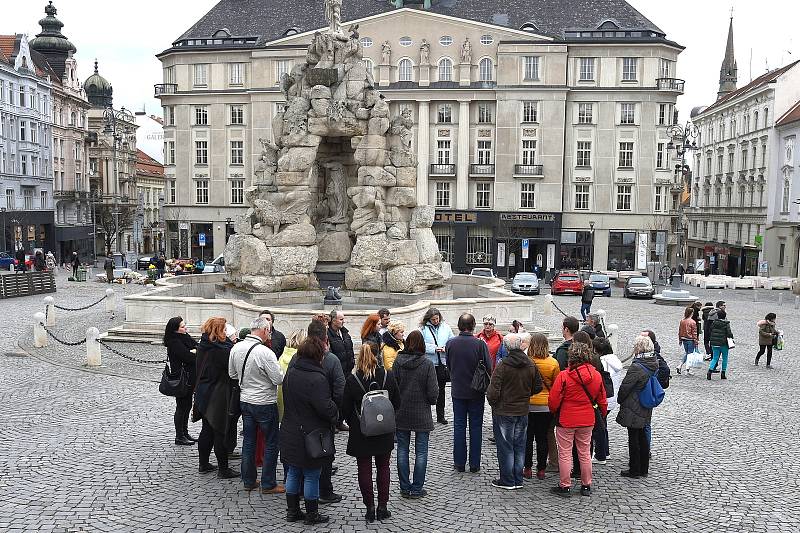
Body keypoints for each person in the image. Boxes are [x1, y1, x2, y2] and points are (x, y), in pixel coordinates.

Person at [280, 334, 339, 525]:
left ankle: (293, 511)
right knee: (312, 474)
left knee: (293, 472)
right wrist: (335, 412)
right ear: (318, 355)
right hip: (311, 434)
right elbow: (324, 407)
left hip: (290, 429)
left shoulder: (291, 371)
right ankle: (312, 514)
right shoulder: (316, 378)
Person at [343, 343, 401, 523]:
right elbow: (397, 402)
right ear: (378, 355)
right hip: (383, 429)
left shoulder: (353, 379)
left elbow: (344, 409)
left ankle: (370, 507)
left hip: (362, 431)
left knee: (364, 469)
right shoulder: (388, 376)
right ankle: (383, 506)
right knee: (384, 467)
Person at [228, 316, 285, 494]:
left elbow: (232, 374)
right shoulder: (265, 353)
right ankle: (268, 483)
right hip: (265, 402)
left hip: (245, 400)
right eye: (269, 331)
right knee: (271, 442)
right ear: (265, 330)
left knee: (249, 441)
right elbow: (278, 378)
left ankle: (249, 480)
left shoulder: (236, 347)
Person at [548, 341, 607, 497]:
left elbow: (553, 400)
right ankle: (586, 485)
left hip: (566, 419)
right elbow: (602, 399)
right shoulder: (596, 375)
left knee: (565, 453)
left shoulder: (564, 376)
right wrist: (602, 414)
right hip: (587, 419)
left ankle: (565, 485)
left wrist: (555, 412)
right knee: (585, 452)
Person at [487, 333, 542, 489]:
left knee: (506, 446)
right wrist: (525, 394)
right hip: (522, 410)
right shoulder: (530, 364)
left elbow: (493, 392)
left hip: (504, 411)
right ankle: (518, 479)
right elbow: (538, 386)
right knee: (519, 445)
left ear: (506, 347)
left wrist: (494, 403)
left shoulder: (503, 366)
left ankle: (508, 480)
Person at [392, 330, 438, 499]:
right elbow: (433, 393)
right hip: (421, 413)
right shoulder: (427, 364)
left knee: (402, 450)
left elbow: (393, 387)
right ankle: (417, 488)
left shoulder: (398, 361)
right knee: (421, 452)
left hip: (401, 412)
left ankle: (404, 487)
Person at [446, 313, 491, 473]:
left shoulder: (451, 344)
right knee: (476, 427)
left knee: (459, 426)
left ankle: (459, 463)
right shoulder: (480, 344)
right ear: (473, 326)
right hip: (476, 391)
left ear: (459, 326)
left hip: (458, 390)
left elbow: (449, 366)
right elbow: (488, 367)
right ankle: (474, 464)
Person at [193, 317, 238, 478]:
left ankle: (203, 464)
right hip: (217, 393)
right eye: (224, 330)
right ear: (218, 331)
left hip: (204, 391)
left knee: (207, 429)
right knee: (219, 430)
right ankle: (223, 469)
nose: (226, 332)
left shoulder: (204, 344)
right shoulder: (221, 349)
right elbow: (231, 370)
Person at [307, 319, 345, 505]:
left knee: (306, 457)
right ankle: (325, 492)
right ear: (325, 339)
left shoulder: (299, 358)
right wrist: (335, 414)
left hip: (303, 417)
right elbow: (340, 390)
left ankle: (302, 494)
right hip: (325, 415)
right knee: (325, 454)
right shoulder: (331, 360)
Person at [616, 335, 659, 478]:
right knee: (642, 436)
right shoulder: (653, 362)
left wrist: (620, 399)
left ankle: (634, 469)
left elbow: (626, 387)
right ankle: (643, 468)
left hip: (634, 404)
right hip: (645, 403)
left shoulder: (637, 366)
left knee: (633, 437)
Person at [524, 333, 560, 480]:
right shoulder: (553, 363)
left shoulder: (527, 361)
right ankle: (541, 469)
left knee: (527, 438)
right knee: (543, 438)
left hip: (528, 404)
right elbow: (557, 386)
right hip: (545, 406)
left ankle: (527, 468)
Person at [164, 316, 198, 445]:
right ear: (175, 329)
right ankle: (179, 436)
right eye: (183, 327)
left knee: (187, 405)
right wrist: (193, 352)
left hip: (190, 377)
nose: (185, 328)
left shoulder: (184, 336)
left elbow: (197, 347)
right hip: (182, 379)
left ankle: (185, 432)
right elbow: (188, 357)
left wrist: (195, 351)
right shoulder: (174, 341)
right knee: (182, 407)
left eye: (185, 325)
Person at [420, 307, 455, 425]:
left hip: (442, 363)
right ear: (429, 319)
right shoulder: (423, 329)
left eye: (437, 318)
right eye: (433, 319)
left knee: (441, 390)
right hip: (429, 363)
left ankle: (441, 415)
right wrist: (434, 349)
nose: (436, 321)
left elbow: (452, 341)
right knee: (427, 390)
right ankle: (427, 415)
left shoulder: (446, 327)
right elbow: (420, 344)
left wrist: (446, 348)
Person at [328, 310, 355, 431]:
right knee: (335, 397)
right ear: (333, 320)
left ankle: (341, 421)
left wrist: (352, 362)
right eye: (341, 319)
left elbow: (350, 349)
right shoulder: (328, 334)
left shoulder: (345, 333)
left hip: (347, 370)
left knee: (345, 397)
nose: (343, 321)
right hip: (336, 371)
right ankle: (332, 423)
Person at [708, 309, 733, 380]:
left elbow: (710, 331)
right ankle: (723, 373)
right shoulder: (726, 323)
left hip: (714, 343)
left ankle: (709, 371)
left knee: (715, 358)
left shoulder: (714, 323)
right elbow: (729, 333)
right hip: (723, 343)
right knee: (725, 358)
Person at [677, 307, 699, 375]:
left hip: (684, 339)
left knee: (687, 353)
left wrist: (680, 339)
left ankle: (680, 365)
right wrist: (696, 341)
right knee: (690, 354)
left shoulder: (682, 321)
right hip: (690, 340)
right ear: (691, 313)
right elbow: (694, 333)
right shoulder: (693, 322)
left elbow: (680, 331)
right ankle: (687, 369)